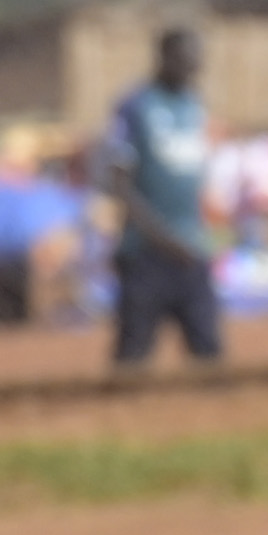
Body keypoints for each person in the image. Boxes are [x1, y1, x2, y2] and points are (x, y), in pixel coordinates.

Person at [97, 24, 226, 371]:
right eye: (187, 59)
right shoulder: (136, 106)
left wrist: (193, 239)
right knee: (133, 357)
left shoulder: (194, 105)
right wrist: (163, 238)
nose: (194, 68)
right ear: (166, 57)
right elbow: (119, 183)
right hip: (146, 253)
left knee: (209, 354)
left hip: (192, 250)